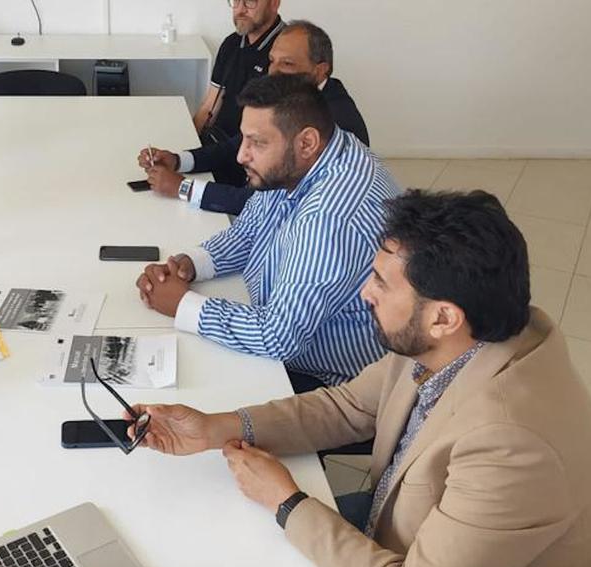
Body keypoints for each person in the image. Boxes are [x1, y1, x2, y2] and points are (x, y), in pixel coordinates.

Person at [128, 190, 591, 567]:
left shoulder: (511, 443)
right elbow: (349, 407)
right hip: (401, 537)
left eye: (381, 282)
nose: (366, 293)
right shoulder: (459, 333)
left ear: (443, 317)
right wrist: (217, 428)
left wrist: (285, 500)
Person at [136, 75, 396, 391]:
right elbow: (248, 231)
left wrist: (183, 305)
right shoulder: (303, 161)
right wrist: (190, 263)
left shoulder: (328, 218)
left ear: (307, 142)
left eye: (257, 142)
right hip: (277, 329)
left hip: (325, 380)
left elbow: (279, 336)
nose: (241, 156)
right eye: (244, 139)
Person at [140, 21, 370, 216]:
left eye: (287, 64)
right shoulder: (295, 96)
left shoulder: (333, 125)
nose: (273, 71)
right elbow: (236, 144)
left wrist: (183, 188)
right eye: (272, 60)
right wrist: (179, 160)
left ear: (320, 71)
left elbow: (268, 203)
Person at [193, 0, 285, 164]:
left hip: (251, 158)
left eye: (250, 2)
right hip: (217, 146)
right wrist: (188, 148)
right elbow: (210, 106)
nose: (240, 10)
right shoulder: (232, 43)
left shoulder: (286, 51)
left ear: (274, 3)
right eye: (236, 1)